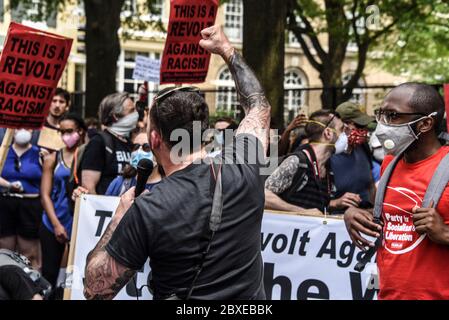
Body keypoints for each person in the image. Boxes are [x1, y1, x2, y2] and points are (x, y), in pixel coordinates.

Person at [83, 25, 270, 300]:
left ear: (155, 138)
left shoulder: (150, 208)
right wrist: (226, 50)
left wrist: (119, 218)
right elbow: (258, 106)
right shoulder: (244, 165)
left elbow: (95, 289)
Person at [344, 83, 449, 299]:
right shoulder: (389, 163)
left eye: (392, 116)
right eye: (380, 114)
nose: (382, 125)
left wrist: (445, 233)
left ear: (425, 123)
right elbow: (393, 211)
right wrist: (354, 214)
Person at [265, 110, 359, 214]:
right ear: (328, 133)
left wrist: (336, 204)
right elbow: (263, 196)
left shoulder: (327, 168)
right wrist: (301, 212)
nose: (346, 135)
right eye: (342, 129)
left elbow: (315, 208)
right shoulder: (298, 162)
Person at [40, 114, 87, 295]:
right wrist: (56, 225)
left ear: (80, 131)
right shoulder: (52, 159)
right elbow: (45, 195)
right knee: (49, 275)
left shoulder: (86, 156)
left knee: (71, 277)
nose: (66, 135)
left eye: (70, 131)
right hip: (52, 223)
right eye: (62, 132)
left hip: (77, 224)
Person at [0, 129, 43, 269]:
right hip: (6, 203)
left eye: (27, 127)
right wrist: (9, 185)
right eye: (18, 127)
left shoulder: (40, 154)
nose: (22, 131)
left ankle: (32, 286)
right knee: (5, 252)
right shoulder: (3, 151)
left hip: (30, 205)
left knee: (29, 253)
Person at [79, 93, 137, 195]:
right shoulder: (98, 142)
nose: (136, 114)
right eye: (131, 110)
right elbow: (88, 187)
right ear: (115, 117)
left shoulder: (129, 143)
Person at [330, 102, 376, 212]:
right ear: (342, 125)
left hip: (365, 216)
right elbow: (311, 200)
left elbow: (370, 185)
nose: (363, 130)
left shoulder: (363, 147)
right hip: (334, 221)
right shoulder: (326, 153)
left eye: (364, 126)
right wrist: (335, 203)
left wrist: (375, 210)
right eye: (358, 125)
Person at [105, 132, 162, 196]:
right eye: (135, 147)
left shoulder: (167, 186)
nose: (139, 151)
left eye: (146, 147)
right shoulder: (119, 183)